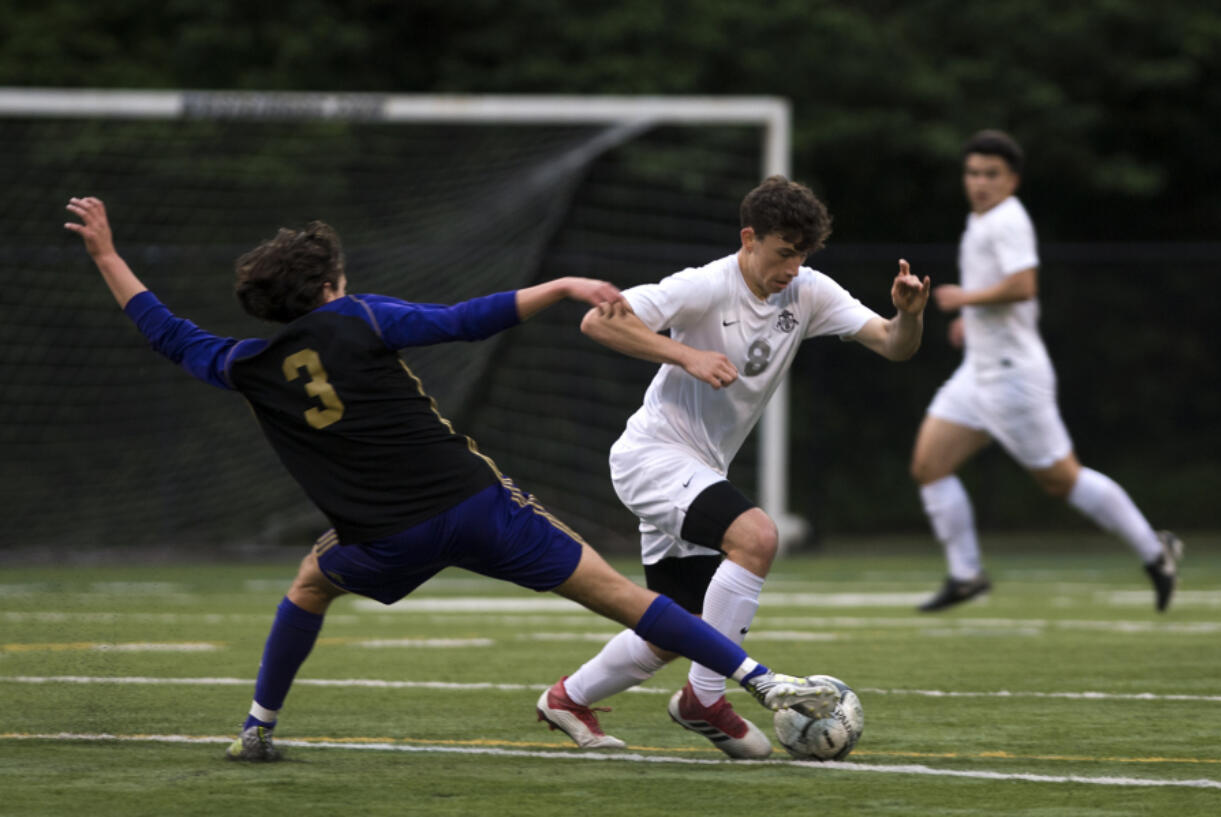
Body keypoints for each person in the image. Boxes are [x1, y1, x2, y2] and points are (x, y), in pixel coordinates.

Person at [64, 196, 845, 762]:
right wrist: (565, 287)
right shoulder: (363, 318)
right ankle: (760, 680)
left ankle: (259, 725)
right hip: (477, 508)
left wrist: (105, 254)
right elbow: (470, 317)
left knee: (309, 581)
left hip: (380, 539)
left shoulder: (245, 364)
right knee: (626, 596)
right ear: (332, 284)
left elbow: (167, 333)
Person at [534, 176, 931, 758]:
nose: (793, 268)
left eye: (803, 255)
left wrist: (909, 316)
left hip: (699, 467)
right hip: (652, 457)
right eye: (783, 253)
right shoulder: (703, 286)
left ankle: (568, 698)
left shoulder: (809, 291)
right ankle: (704, 699)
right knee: (757, 536)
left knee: (680, 625)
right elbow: (599, 321)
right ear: (750, 238)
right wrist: (685, 353)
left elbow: (894, 345)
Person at [910, 129, 1183, 613]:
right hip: (981, 370)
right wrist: (971, 324)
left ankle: (1153, 550)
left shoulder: (1007, 220)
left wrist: (964, 300)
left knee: (1062, 480)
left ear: (1012, 180)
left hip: (1014, 374)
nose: (979, 182)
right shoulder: (981, 220)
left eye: (991, 174)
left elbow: (1023, 286)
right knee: (930, 465)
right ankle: (966, 574)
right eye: (973, 173)